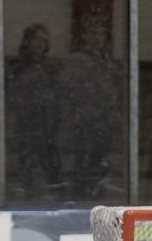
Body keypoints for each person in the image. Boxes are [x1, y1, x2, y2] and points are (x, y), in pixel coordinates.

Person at [62, 15, 118, 199]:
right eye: (93, 33)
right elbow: (72, 89)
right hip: (85, 120)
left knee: (101, 160)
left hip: (103, 119)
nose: (97, 37)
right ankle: (81, 193)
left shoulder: (107, 61)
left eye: (101, 33)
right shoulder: (77, 60)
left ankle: (96, 190)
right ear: (86, 35)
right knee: (84, 160)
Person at [10, 23, 63, 200]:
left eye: (43, 40)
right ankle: (30, 194)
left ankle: (56, 194)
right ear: (28, 41)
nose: (40, 44)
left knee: (51, 161)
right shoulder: (18, 67)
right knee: (29, 161)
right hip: (27, 123)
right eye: (36, 39)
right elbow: (15, 94)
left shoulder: (49, 68)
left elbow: (56, 95)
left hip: (47, 123)